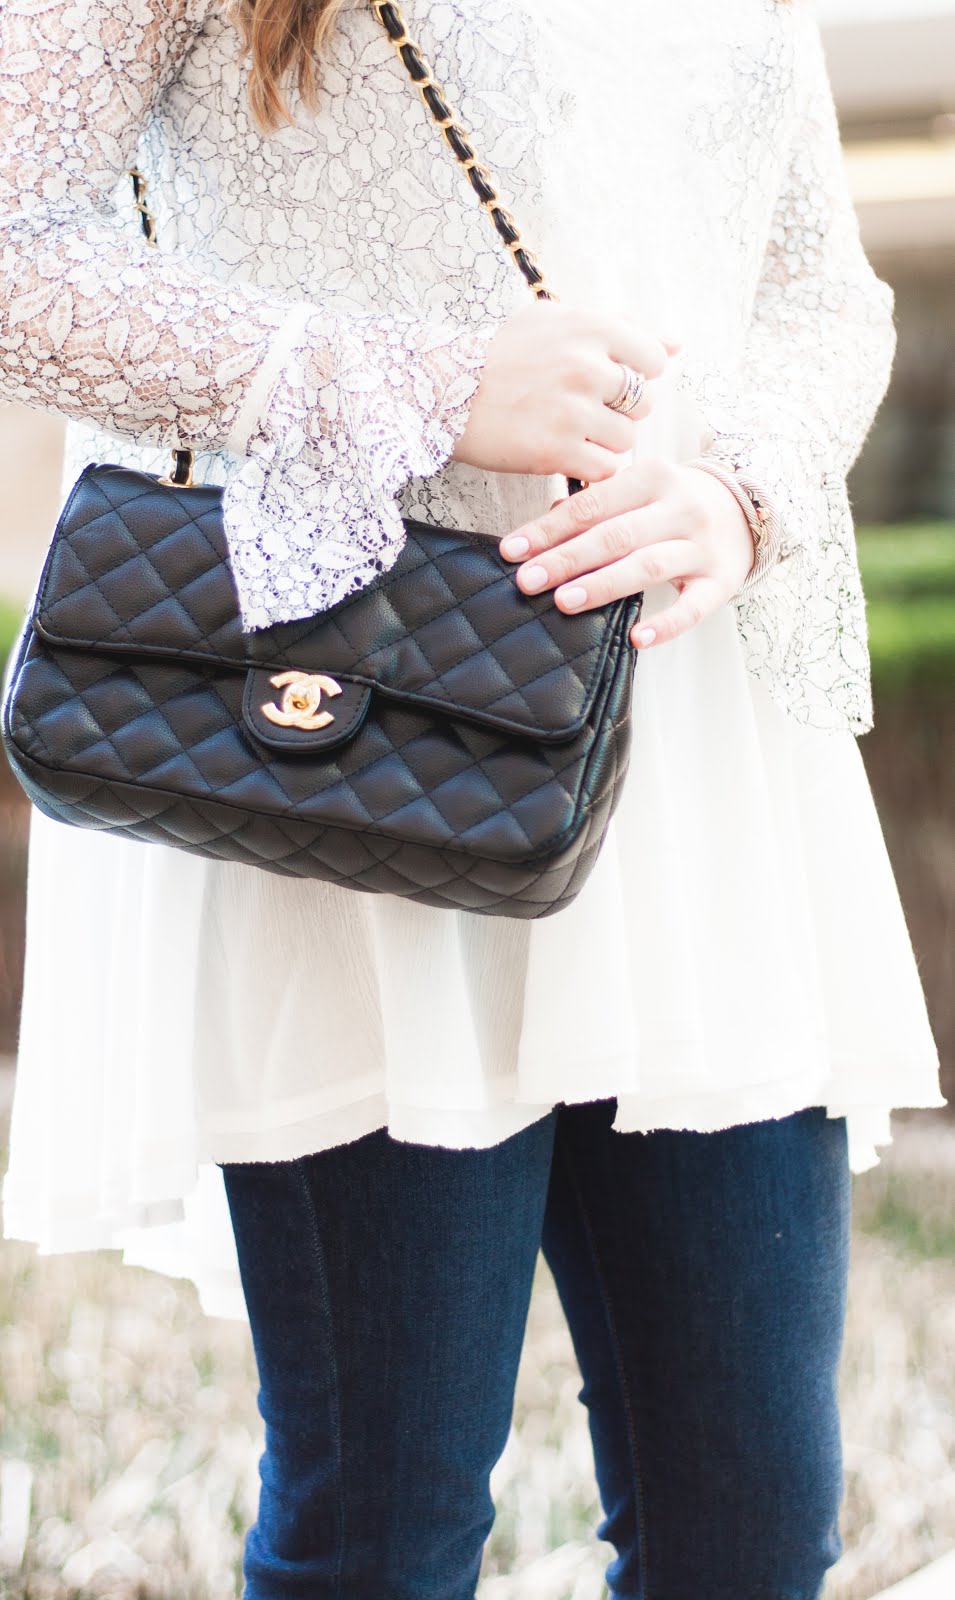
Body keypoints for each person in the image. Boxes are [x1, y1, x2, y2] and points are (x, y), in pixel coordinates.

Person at [0, 0, 944, 1594]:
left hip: (694, 751)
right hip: (354, 749)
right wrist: (415, 384)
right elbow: (17, 242)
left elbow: (822, 295)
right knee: (386, 1523)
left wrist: (742, 497)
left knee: (752, 1529)